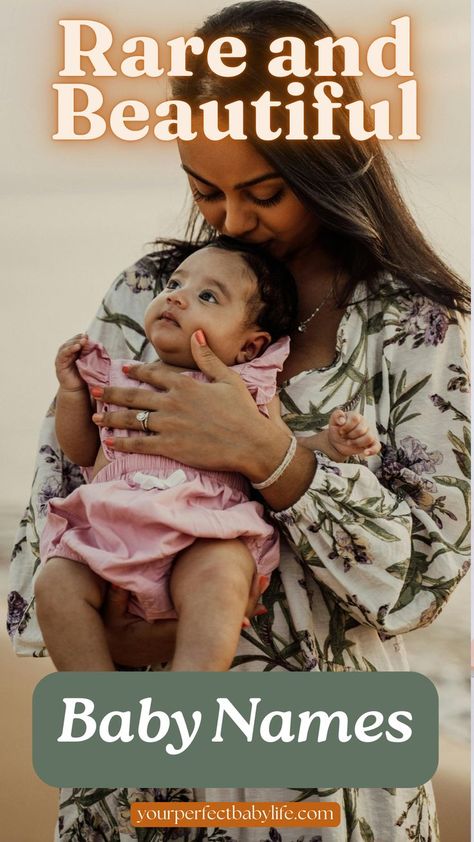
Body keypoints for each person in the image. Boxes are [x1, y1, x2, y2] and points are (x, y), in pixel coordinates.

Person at [8, 0, 469, 839]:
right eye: (203, 188)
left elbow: (421, 585)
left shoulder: (420, 326)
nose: (229, 219)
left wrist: (266, 453)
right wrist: (136, 642)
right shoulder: (152, 291)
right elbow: (55, 514)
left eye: (263, 191)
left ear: (335, 158)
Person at [35, 237, 380, 673]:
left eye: (207, 296)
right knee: (56, 581)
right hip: (111, 532)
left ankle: (191, 691)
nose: (176, 296)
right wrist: (71, 394)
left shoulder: (243, 386)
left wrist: (329, 444)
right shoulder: (121, 376)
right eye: (175, 284)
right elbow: (82, 449)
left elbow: (274, 444)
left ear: (249, 347)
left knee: (221, 577)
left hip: (205, 530)